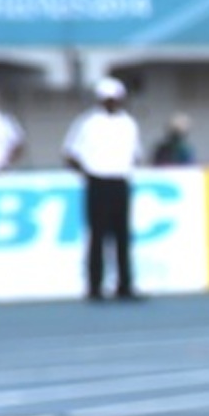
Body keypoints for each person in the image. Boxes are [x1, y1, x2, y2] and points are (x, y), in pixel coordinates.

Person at [63, 77, 144, 302]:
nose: (113, 103)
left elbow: (136, 154)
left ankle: (124, 284)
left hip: (120, 180)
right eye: (109, 99)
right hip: (97, 181)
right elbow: (70, 153)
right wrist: (88, 172)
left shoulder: (128, 123)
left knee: (122, 237)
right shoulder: (88, 122)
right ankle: (95, 286)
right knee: (97, 236)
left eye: (116, 99)